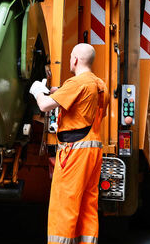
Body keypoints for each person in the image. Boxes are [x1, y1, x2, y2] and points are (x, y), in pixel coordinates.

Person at [29, 43, 108, 244]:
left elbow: (45, 105)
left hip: (74, 152)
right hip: (93, 150)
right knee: (87, 204)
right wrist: (58, 91)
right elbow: (83, 104)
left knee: (64, 203)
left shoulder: (77, 83)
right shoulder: (100, 85)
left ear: (74, 60)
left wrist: (38, 91)